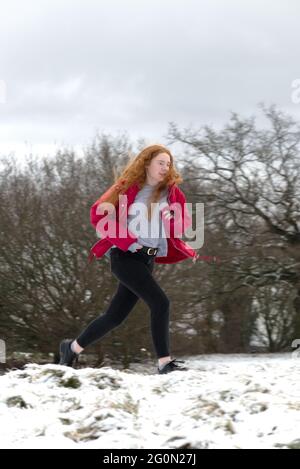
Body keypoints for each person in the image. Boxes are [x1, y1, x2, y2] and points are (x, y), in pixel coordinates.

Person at [59, 144, 199, 374]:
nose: (165, 167)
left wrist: (172, 218)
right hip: (125, 257)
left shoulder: (173, 193)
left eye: (168, 163)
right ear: (147, 163)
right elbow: (98, 215)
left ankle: (71, 348)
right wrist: (129, 242)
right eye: (160, 162)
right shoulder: (126, 188)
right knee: (161, 303)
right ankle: (165, 363)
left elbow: (182, 225)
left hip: (147, 260)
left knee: (115, 316)